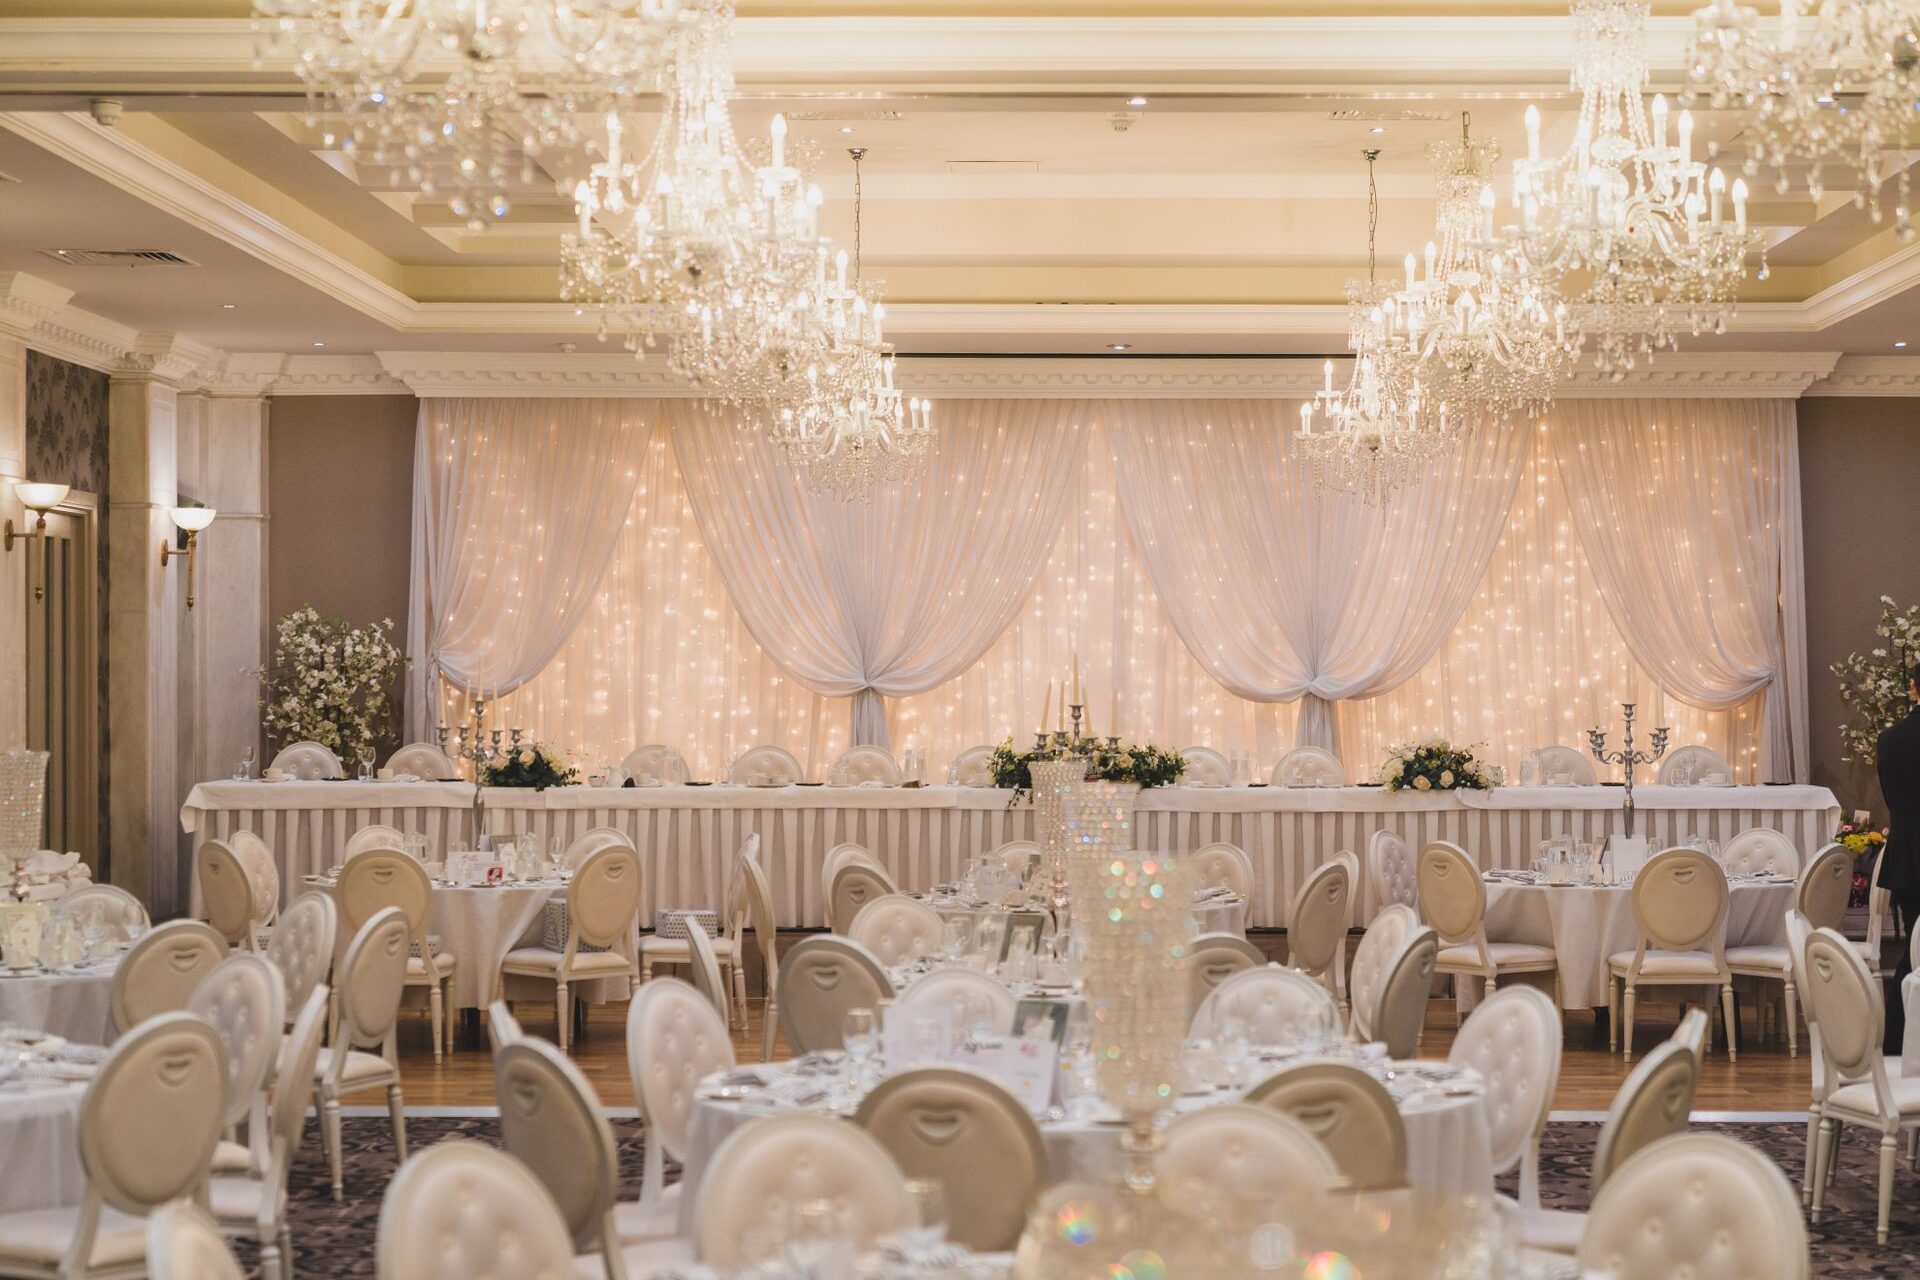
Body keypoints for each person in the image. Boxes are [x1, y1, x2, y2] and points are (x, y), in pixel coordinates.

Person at [1879, 659, 1920, 1053]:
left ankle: (1895, 1040)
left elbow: (1893, 800)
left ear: (1913, 688)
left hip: (1909, 858)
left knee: (1914, 951)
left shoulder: (1890, 740)